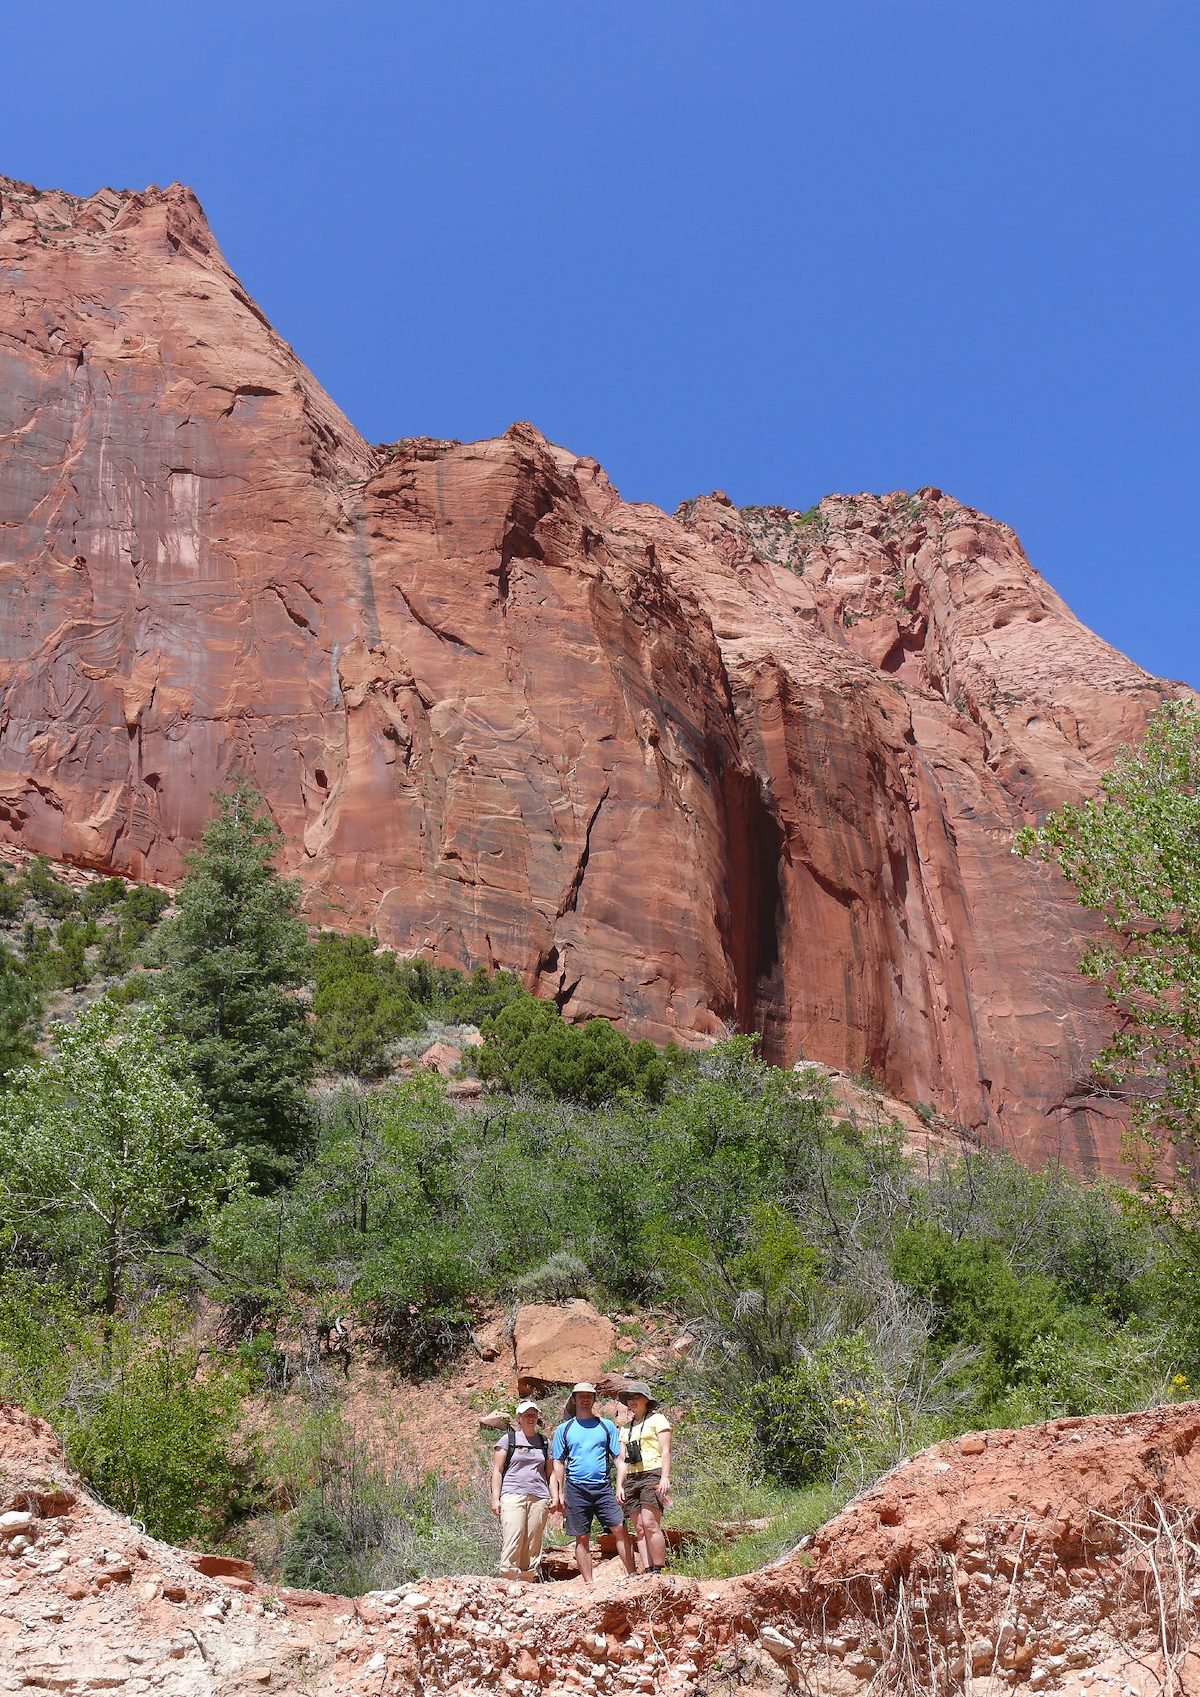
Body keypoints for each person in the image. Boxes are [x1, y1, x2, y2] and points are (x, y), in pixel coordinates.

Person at [551, 1381, 635, 1584]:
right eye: (580, 1396)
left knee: (620, 1529)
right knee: (581, 1536)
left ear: (594, 1400)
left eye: (589, 1396)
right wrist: (560, 1493)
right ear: (574, 1400)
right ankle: (589, 1583)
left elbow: (619, 1459)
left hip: (603, 1488)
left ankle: (633, 1575)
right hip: (576, 1488)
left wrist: (620, 1486)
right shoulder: (564, 1429)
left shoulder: (606, 1426)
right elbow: (558, 1462)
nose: (585, 1399)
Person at [490, 1398, 553, 1582]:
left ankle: (527, 1579)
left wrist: (555, 1496)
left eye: (533, 1415)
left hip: (539, 1496)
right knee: (514, 1534)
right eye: (527, 1415)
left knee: (533, 1540)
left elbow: (550, 1473)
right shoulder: (508, 1440)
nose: (530, 1418)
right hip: (513, 1494)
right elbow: (498, 1470)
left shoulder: (544, 1442)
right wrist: (496, 1498)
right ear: (519, 1418)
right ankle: (508, 1577)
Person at [616, 1381, 672, 1574]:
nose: (632, 1401)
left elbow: (665, 1451)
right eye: (629, 1398)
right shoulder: (625, 1428)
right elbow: (622, 1460)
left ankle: (659, 1569)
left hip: (652, 1473)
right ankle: (648, 1570)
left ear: (646, 1400)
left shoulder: (658, 1420)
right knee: (639, 1527)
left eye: (636, 1397)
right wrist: (619, 1486)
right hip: (632, 1477)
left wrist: (665, 1477)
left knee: (650, 1523)